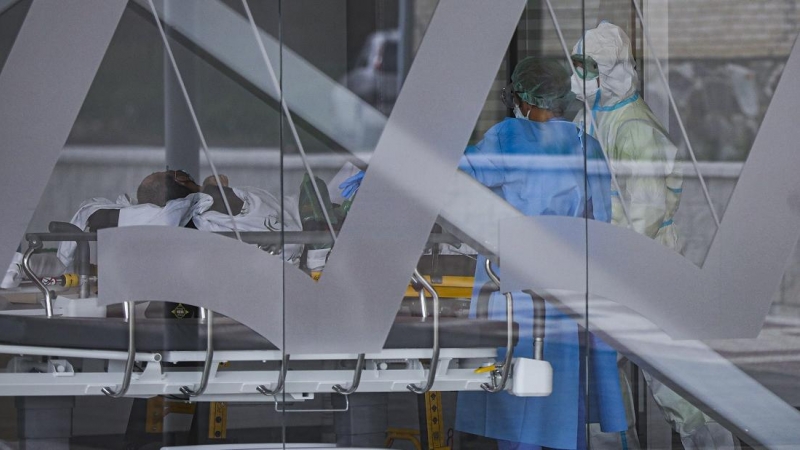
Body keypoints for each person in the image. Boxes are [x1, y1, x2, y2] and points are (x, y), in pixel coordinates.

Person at [571, 22, 736, 450]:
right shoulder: (589, 116)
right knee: (601, 376)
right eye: (577, 64)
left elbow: (644, 214)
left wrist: (605, 257)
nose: (580, 75)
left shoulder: (635, 129)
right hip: (607, 265)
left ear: (613, 70)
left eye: (589, 67)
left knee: (675, 382)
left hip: (642, 263)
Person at [454, 56, 627, 450]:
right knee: (565, 403)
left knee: (519, 400)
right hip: (569, 295)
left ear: (527, 100)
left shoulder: (509, 136)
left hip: (518, 294)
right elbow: (601, 226)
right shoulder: (589, 147)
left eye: (515, 96)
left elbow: (453, 176)